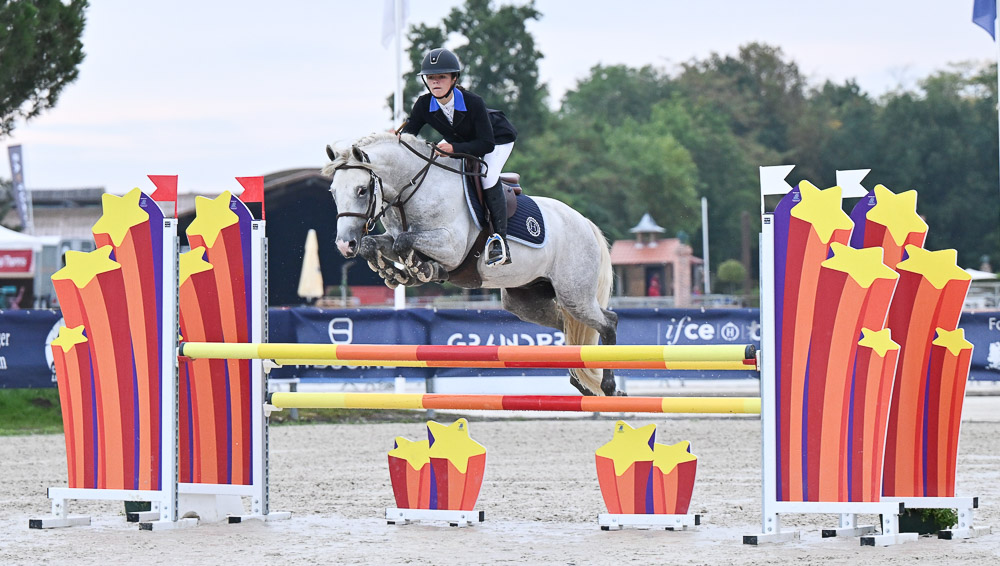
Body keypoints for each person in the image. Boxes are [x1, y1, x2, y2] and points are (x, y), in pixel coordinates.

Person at [400, 48, 518, 266]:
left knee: (487, 177)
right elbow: (408, 135)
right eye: (431, 78)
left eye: (441, 77)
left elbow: (486, 144)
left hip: (497, 139)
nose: (435, 82)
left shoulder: (473, 102)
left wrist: (453, 148)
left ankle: (500, 241)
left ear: (454, 78)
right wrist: (393, 139)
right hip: (463, 144)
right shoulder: (423, 105)